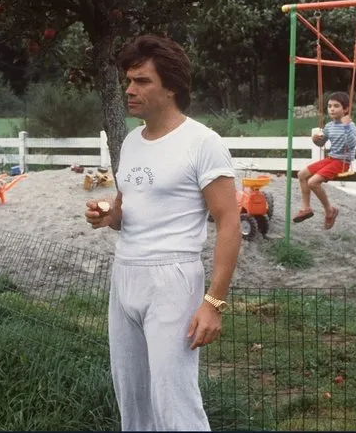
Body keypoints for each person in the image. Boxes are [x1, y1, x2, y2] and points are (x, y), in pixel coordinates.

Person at [84, 35, 241, 431]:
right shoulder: (132, 142)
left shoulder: (202, 143)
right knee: (132, 397)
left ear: (170, 87)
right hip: (125, 274)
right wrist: (108, 216)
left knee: (174, 401)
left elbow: (228, 222)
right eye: (129, 81)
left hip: (172, 279)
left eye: (141, 81)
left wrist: (214, 304)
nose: (129, 89)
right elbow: (128, 207)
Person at [293, 91, 356, 230]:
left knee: (312, 182)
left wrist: (346, 127)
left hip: (342, 162)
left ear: (345, 109)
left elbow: (351, 144)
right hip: (331, 159)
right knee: (301, 174)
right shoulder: (329, 126)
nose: (332, 109)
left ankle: (329, 210)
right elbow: (321, 144)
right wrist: (315, 140)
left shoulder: (350, 125)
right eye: (329, 106)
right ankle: (306, 208)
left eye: (336, 106)